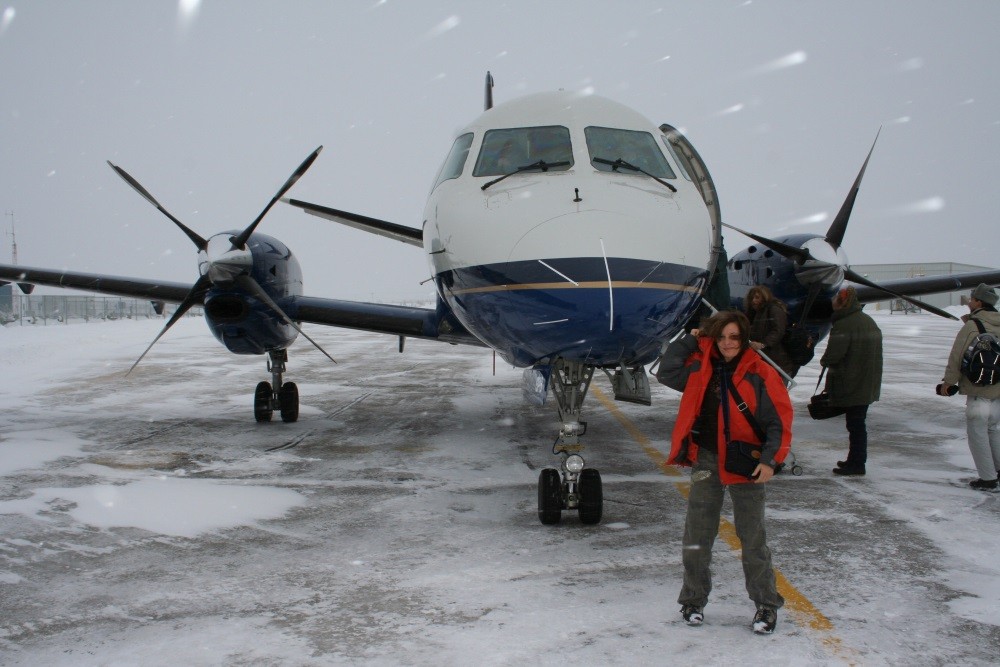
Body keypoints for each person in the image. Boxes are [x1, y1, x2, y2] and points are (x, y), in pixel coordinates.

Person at [656, 310, 793, 634]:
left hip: (746, 465)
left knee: (752, 538)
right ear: (712, 339)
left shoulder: (760, 371)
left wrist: (770, 461)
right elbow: (666, 370)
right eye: (722, 337)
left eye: (734, 337)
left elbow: (779, 422)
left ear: (743, 338)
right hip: (706, 461)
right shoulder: (700, 369)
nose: (728, 343)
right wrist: (691, 338)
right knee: (698, 536)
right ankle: (693, 601)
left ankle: (766, 606)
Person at [936, 283, 1000, 490]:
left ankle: (988, 478)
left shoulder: (973, 326)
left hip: (978, 388)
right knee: (993, 429)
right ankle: (997, 470)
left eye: (972, 299)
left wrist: (948, 382)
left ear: (979, 302)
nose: (969, 302)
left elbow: (957, 356)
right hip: (998, 389)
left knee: (977, 432)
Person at [821, 286, 884, 476]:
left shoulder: (844, 324)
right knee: (857, 424)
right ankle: (855, 460)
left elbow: (833, 355)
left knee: (855, 426)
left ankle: (857, 464)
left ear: (842, 302)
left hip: (852, 382)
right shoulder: (868, 321)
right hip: (866, 383)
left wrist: (825, 361)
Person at [744, 285, 797, 378]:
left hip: (777, 361)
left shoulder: (774, 309)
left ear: (764, 297)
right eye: (752, 298)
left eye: (757, 297)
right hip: (763, 360)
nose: (753, 301)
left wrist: (763, 344)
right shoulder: (754, 313)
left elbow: (778, 330)